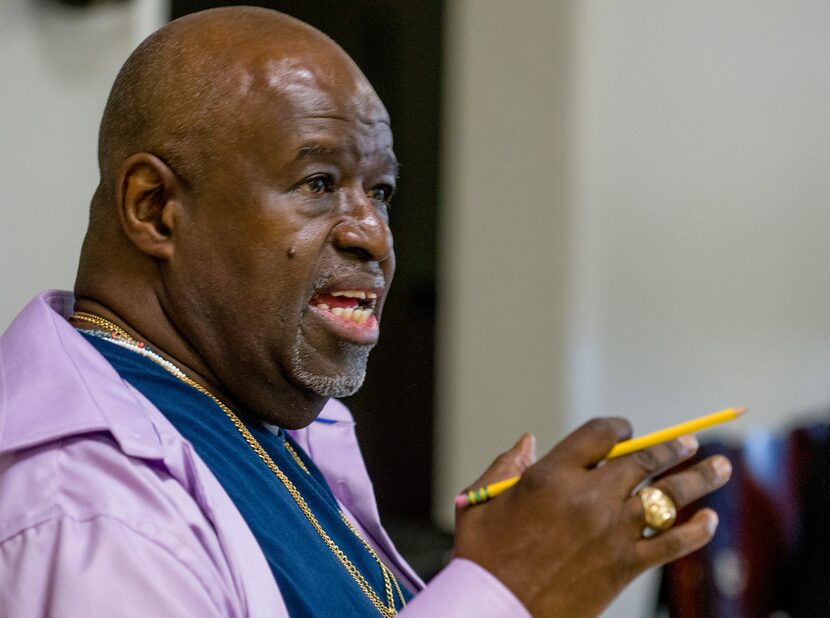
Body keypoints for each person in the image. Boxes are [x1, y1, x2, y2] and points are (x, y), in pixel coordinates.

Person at [0, 6, 732, 617]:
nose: (373, 235)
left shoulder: (250, 416)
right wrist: (505, 593)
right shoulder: (90, 513)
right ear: (155, 208)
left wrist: (469, 576)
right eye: (318, 183)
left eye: (378, 192)